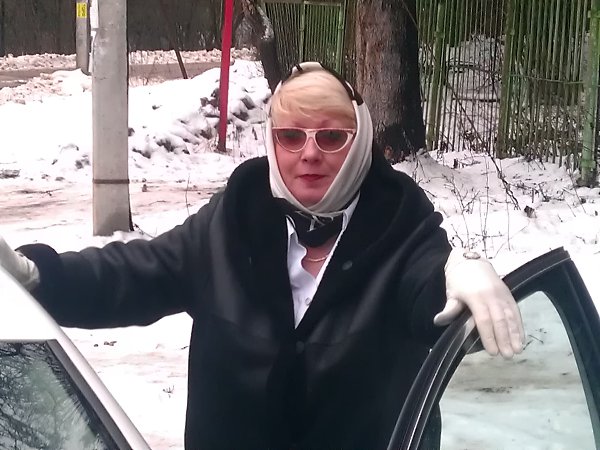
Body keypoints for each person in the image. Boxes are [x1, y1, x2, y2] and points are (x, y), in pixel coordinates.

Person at [0, 62, 524, 450]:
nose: (309, 153)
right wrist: (37, 275)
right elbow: (135, 274)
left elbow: (427, 291)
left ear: (361, 141)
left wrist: (456, 271)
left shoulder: (401, 227)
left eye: (331, 136)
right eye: (290, 136)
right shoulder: (234, 221)